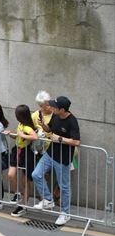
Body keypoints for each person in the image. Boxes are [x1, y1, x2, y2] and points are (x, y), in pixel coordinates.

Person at [32, 96, 81, 226]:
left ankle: (65, 213)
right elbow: (50, 129)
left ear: (62, 109)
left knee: (64, 186)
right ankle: (48, 200)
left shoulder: (72, 121)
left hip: (63, 159)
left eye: (55, 107)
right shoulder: (55, 116)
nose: (52, 108)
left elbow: (76, 141)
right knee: (36, 174)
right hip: (50, 154)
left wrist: (59, 138)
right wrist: (43, 126)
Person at [5, 104, 38, 217]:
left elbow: (35, 137)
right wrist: (13, 135)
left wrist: (22, 134)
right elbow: (20, 137)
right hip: (17, 151)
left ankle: (23, 206)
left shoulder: (27, 127)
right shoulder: (21, 124)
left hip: (26, 153)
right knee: (11, 174)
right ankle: (17, 194)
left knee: (25, 181)